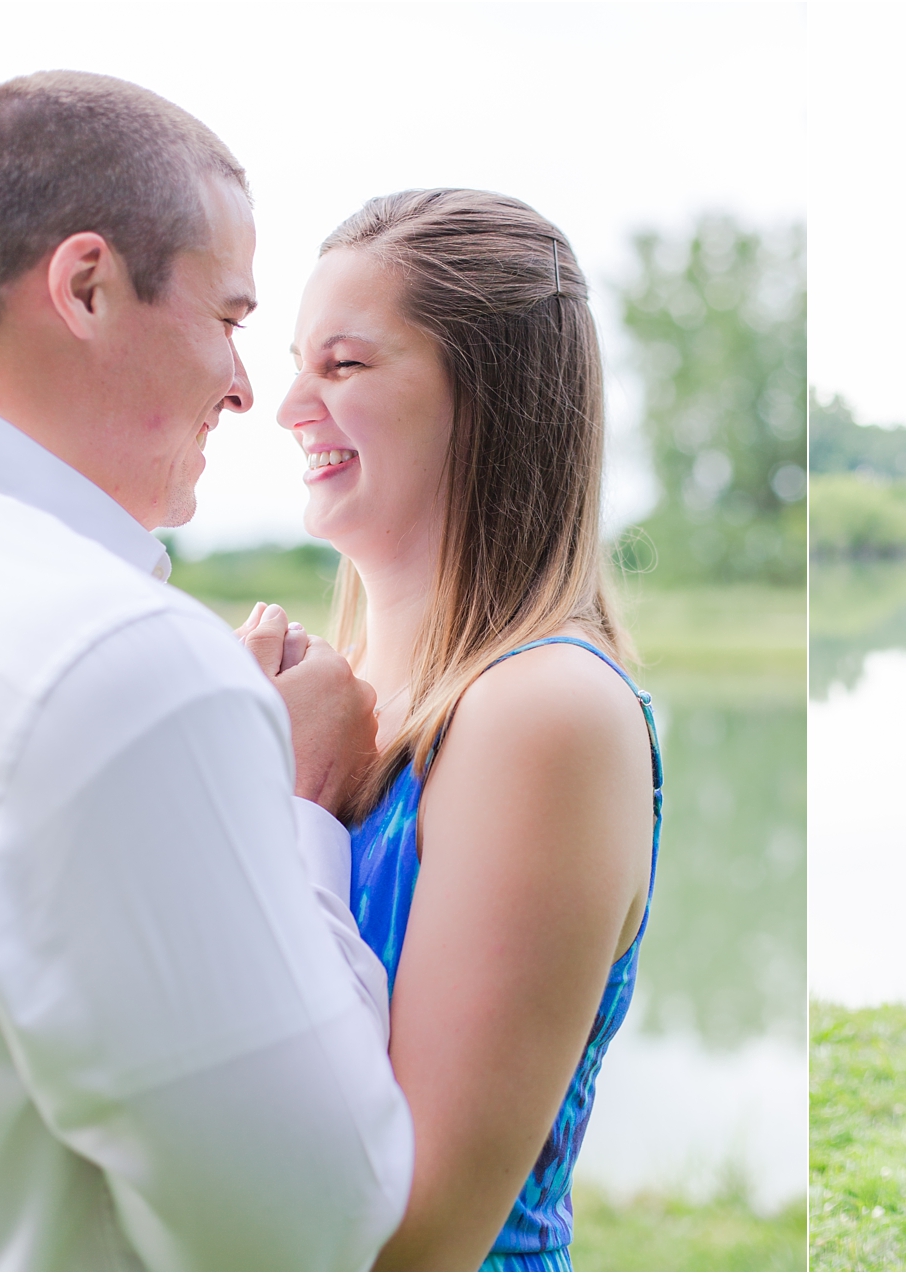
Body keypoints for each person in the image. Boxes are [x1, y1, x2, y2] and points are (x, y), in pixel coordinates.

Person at [0, 72, 413, 1269]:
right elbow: (311, 1220)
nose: (247, 386)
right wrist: (292, 802)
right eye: (228, 315)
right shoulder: (119, 665)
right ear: (89, 286)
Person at [258, 188, 659, 1271]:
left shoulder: (544, 713)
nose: (287, 402)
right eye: (298, 360)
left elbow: (414, 1235)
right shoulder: (330, 690)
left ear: (487, 401)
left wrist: (288, 808)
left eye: (342, 365)